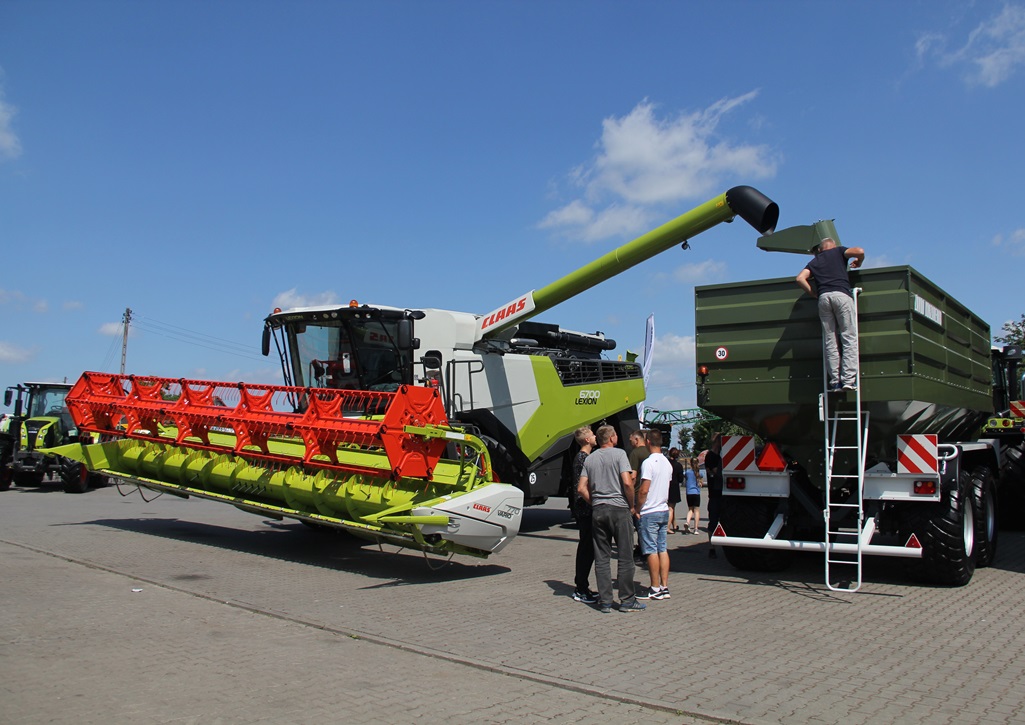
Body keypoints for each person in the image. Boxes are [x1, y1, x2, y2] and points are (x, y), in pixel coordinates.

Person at [577, 425, 645, 613]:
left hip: (598, 511)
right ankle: (627, 600)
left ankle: (605, 601)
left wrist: (596, 502)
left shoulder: (590, 459)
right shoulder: (619, 454)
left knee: (601, 557)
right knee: (625, 557)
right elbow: (627, 482)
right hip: (619, 509)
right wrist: (631, 505)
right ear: (612, 438)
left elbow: (581, 488)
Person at [795, 237, 866, 392]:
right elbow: (860, 251)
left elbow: (800, 278)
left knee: (830, 340)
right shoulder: (839, 251)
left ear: (820, 249)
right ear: (834, 246)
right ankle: (848, 380)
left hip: (823, 299)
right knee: (848, 336)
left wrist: (812, 292)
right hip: (841, 295)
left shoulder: (815, 262)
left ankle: (835, 381)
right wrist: (858, 262)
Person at [635, 429, 673, 600]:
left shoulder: (648, 463)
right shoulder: (667, 462)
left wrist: (637, 507)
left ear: (648, 441)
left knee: (650, 550)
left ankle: (655, 587)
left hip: (649, 510)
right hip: (664, 509)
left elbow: (643, 489)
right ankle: (664, 586)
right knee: (662, 548)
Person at [569, 426, 598, 603]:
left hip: (584, 508)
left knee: (587, 548)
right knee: (586, 548)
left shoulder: (583, 458)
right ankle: (580, 588)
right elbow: (582, 488)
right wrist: (594, 503)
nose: (595, 437)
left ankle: (583, 586)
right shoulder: (583, 458)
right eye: (593, 435)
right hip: (585, 509)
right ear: (587, 440)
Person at [704, 433, 724, 559]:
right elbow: (717, 472)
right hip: (715, 493)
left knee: (716, 520)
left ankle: (715, 546)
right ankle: (712, 547)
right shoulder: (711, 456)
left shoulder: (718, 455)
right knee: (714, 521)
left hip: (719, 493)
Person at [683, 457, 701, 534]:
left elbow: (684, 475)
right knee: (696, 510)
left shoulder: (687, 472)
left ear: (690, 463)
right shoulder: (699, 473)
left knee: (690, 509)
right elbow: (701, 483)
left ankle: (687, 522)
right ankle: (696, 529)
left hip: (689, 493)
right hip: (696, 493)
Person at [667, 448, 683, 533]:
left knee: (672, 507)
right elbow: (681, 479)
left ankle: (674, 525)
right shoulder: (678, 465)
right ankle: (668, 527)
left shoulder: (666, 464)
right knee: (671, 508)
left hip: (666, 486)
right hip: (674, 487)